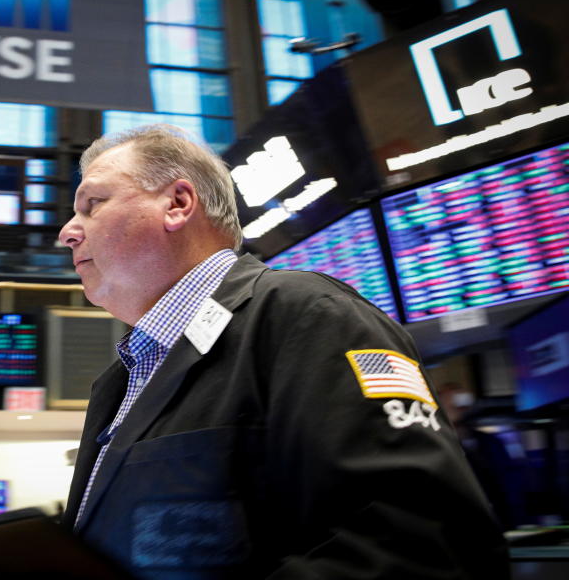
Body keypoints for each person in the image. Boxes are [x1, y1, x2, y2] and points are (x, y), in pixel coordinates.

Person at [57, 125, 510, 579]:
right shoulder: (117, 383)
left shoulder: (310, 316)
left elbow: (423, 547)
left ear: (177, 204)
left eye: (92, 205)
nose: (67, 233)